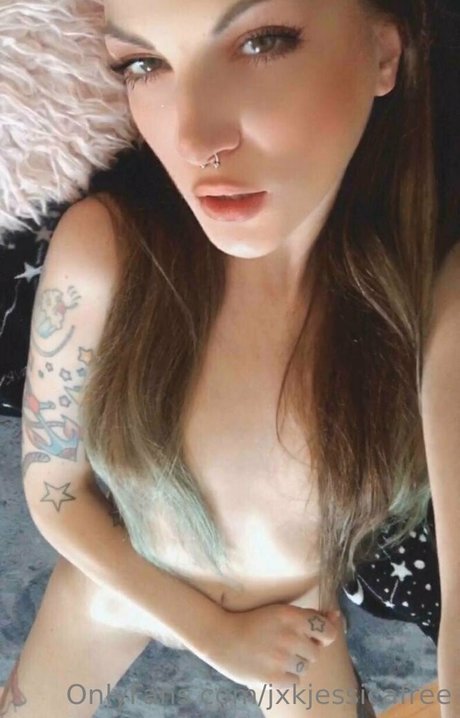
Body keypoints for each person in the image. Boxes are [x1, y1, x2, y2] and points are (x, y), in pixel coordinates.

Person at [1, 0, 458, 716]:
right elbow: (55, 495)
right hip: (120, 586)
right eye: (143, 64)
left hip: (296, 630)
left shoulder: (429, 297)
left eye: (263, 42)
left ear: (384, 52)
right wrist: (214, 635)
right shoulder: (104, 253)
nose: (195, 139)